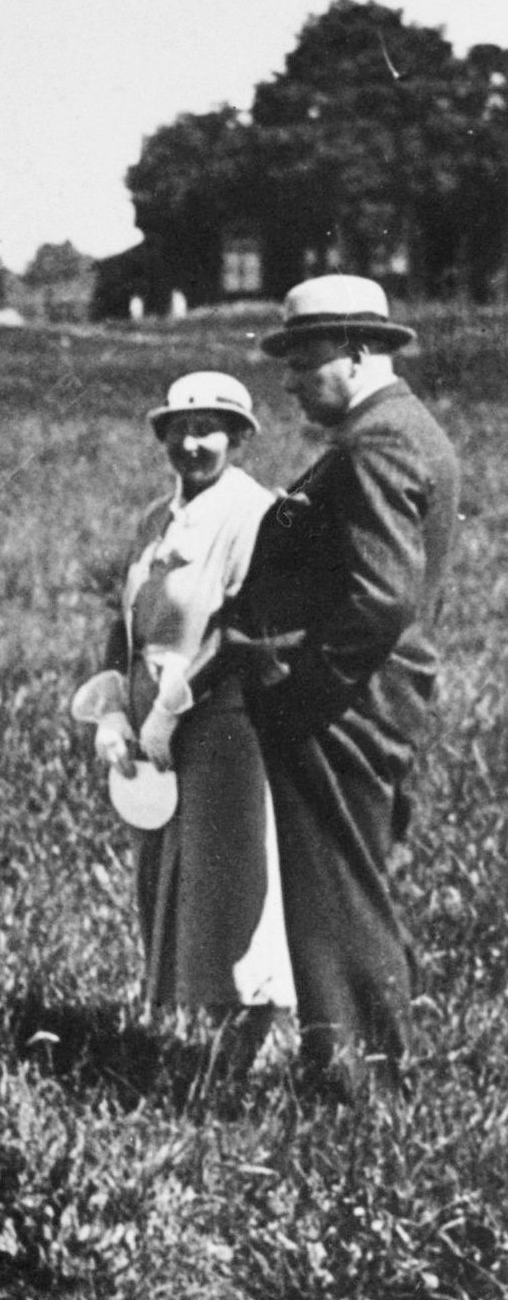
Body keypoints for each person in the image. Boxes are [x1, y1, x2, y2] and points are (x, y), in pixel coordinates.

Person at [221, 276, 461, 1097]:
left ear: (357, 353)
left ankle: (359, 1089)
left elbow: (380, 597)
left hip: (343, 707)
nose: (288, 381)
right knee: (348, 885)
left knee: (334, 893)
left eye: (302, 360)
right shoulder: (393, 430)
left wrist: (301, 689)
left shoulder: (375, 444)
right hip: (363, 698)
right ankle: (364, 1069)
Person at [78, 371, 291, 1066]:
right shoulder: (156, 518)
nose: (192, 443)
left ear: (237, 437)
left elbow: (240, 629)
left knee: (229, 875)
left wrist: (173, 709)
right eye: (179, 429)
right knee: (173, 876)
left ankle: (254, 1042)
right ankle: (206, 1037)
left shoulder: (254, 515)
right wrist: (113, 707)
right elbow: (126, 620)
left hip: (223, 722)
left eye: (208, 430)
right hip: (154, 731)